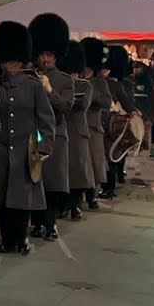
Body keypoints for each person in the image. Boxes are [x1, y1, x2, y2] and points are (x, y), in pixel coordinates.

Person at [0, 21, 54, 255]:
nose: (10, 66)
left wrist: (44, 146)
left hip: (26, 150)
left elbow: (46, 118)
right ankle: (6, 238)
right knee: (1, 198)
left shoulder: (33, 86)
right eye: (6, 62)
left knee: (22, 199)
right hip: (0, 149)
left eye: (14, 62)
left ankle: (21, 237)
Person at [27, 13, 73, 243]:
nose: (45, 59)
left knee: (53, 185)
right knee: (36, 181)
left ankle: (51, 224)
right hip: (34, 135)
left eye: (49, 55)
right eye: (42, 54)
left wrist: (49, 91)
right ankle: (37, 223)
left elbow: (66, 106)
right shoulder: (30, 76)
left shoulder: (65, 80)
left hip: (56, 135)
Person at [60, 41, 94, 222]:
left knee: (78, 173)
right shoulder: (61, 84)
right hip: (63, 129)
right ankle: (64, 204)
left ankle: (76, 205)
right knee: (63, 172)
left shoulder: (85, 86)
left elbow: (82, 104)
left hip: (78, 132)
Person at [81, 38, 112, 209]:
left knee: (94, 165)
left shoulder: (99, 79)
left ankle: (91, 196)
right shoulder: (76, 76)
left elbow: (107, 101)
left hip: (93, 126)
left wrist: (93, 97)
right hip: (78, 126)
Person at [104, 45, 138, 197]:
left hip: (109, 123)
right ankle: (112, 183)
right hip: (114, 122)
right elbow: (128, 104)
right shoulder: (121, 83)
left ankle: (108, 188)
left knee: (109, 155)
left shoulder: (107, 82)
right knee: (114, 153)